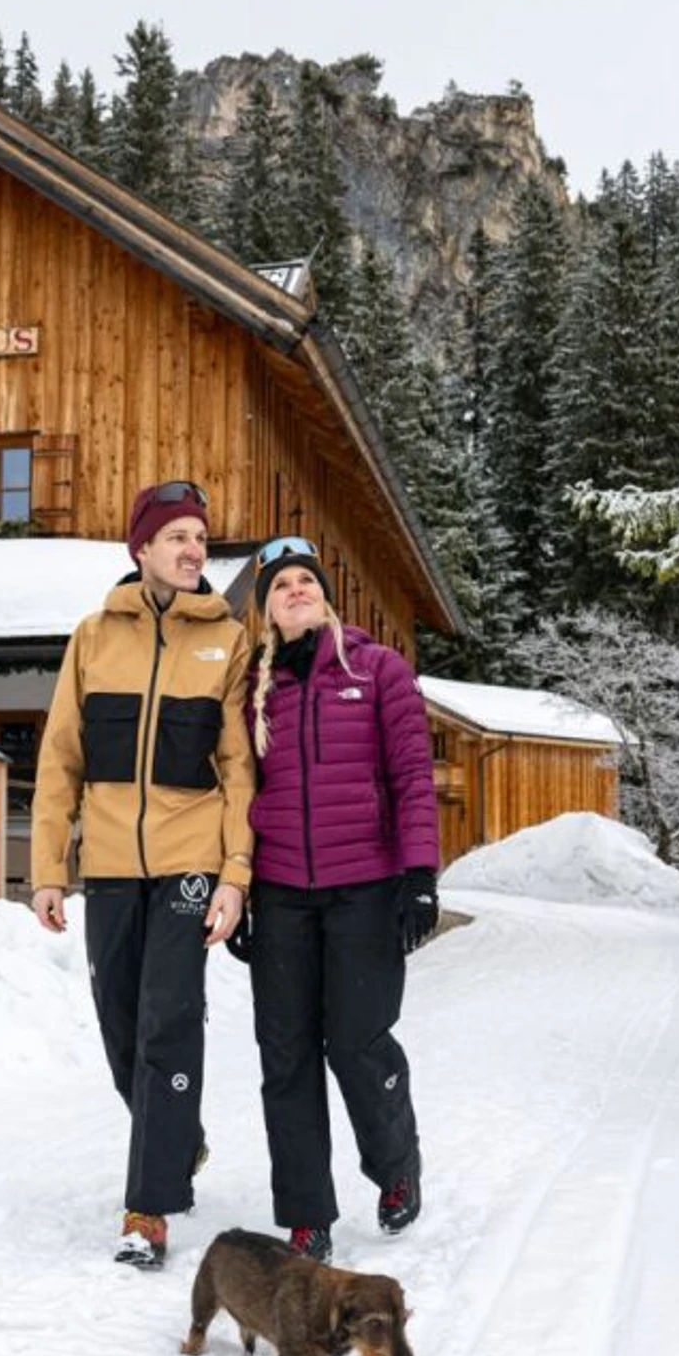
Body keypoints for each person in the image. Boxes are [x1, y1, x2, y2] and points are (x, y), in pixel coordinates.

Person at [31, 481, 255, 1269]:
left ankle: (148, 1207)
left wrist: (234, 873)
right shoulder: (93, 638)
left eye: (200, 536)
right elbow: (61, 756)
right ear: (142, 550)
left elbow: (237, 767)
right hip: (113, 865)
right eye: (178, 537)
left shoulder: (227, 641)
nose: (195, 549)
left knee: (168, 1015)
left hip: (191, 859)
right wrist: (47, 867)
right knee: (118, 1019)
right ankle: (178, 1136)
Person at [236, 535, 439, 1263]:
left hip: (366, 891)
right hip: (282, 896)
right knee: (285, 1054)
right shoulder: (255, 690)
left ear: (324, 595)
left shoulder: (378, 670)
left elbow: (414, 777)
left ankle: (395, 1167)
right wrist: (239, 891)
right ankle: (306, 1214)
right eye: (281, 583)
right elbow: (238, 796)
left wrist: (419, 875)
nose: (296, 590)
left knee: (356, 1041)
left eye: (306, 580)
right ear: (266, 608)